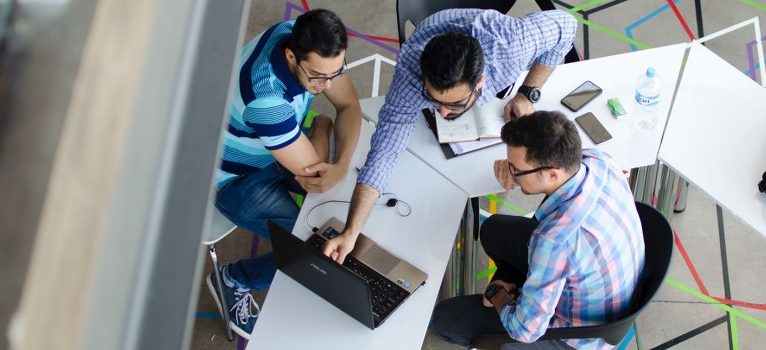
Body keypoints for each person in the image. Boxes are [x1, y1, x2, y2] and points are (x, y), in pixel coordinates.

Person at [322, 9, 578, 265]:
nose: (442, 113)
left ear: (481, 82)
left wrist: (528, 92)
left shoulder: (511, 45)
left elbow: (567, 25)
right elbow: (384, 152)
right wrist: (351, 231)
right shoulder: (411, 73)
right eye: (434, 100)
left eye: (454, 104)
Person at [430, 111, 645, 350]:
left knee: (445, 319)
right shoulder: (598, 161)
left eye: (516, 169)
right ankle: (526, 284)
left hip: (576, 338)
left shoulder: (554, 240)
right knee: (493, 230)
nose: (510, 173)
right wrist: (513, 166)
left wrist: (498, 294)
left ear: (552, 173)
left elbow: (525, 330)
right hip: (607, 284)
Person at [207, 9, 361, 338]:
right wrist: (321, 125)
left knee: (340, 199)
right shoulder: (267, 100)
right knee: (309, 245)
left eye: (336, 73)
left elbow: (349, 106)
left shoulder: (298, 34)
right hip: (235, 179)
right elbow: (316, 177)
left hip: (273, 148)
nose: (328, 85)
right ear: (291, 56)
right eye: (318, 77)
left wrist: (342, 164)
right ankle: (235, 279)